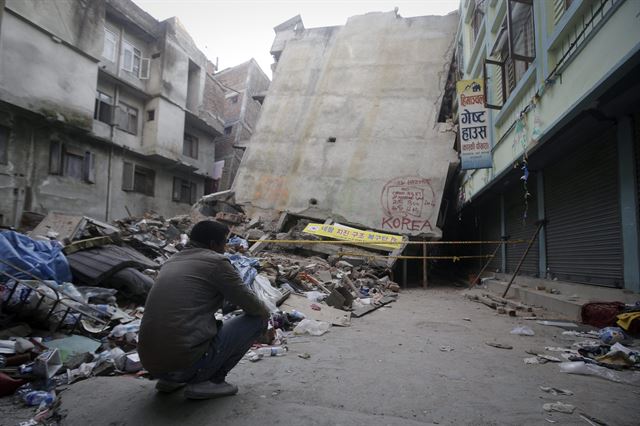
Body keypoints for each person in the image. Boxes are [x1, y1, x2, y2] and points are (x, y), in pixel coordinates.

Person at [138, 220, 270, 400]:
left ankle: (172, 380)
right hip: (184, 364)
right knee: (258, 319)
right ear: (213, 244)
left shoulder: (171, 261)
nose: (225, 249)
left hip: (151, 365)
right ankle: (210, 381)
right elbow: (254, 307)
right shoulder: (217, 262)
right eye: (224, 243)